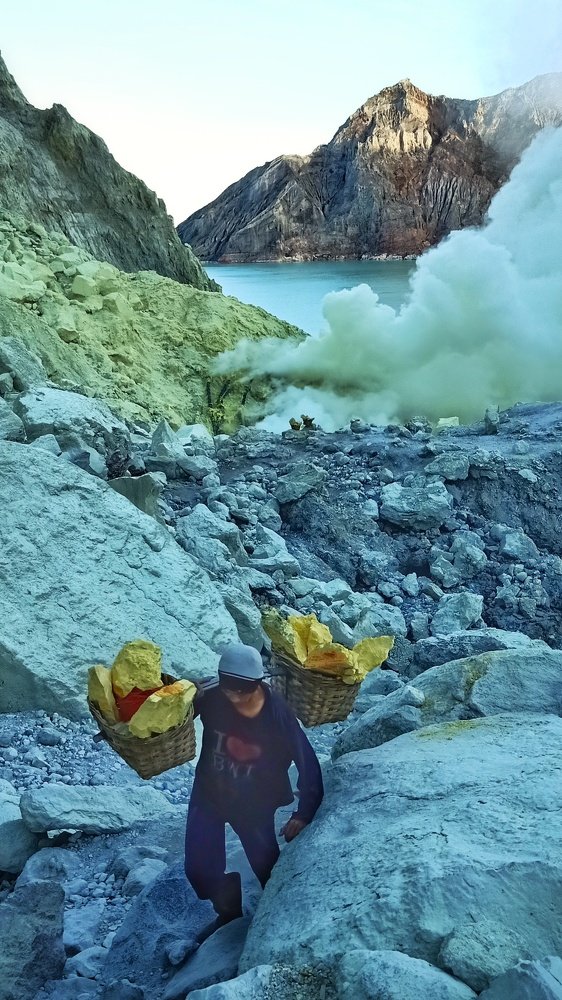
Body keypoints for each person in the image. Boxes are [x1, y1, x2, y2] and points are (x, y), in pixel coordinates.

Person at [184, 643, 324, 932]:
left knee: (267, 868)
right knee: (199, 870)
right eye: (228, 689)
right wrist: (184, 694)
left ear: (256, 685)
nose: (233, 696)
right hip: (209, 793)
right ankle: (229, 912)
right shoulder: (211, 696)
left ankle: (280, 922)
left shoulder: (277, 713)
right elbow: (167, 714)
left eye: (241, 690)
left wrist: (304, 812)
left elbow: (306, 759)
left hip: (254, 803)